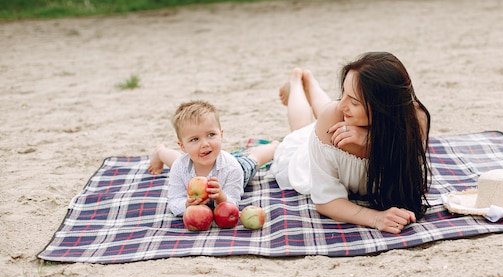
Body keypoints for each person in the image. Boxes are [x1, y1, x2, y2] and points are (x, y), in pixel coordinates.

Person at [269, 52, 430, 234]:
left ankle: (310, 83)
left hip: (341, 126)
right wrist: (376, 218)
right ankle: (297, 81)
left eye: (354, 101)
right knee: (302, 130)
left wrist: (372, 141)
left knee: (330, 111)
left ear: (384, 107)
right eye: (343, 92)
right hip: (306, 158)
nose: (342, 104)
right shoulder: (332, 117)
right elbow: (326, 202)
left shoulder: (414, 121)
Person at [148, 100, 278, 217]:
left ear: (221, 135)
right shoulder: (180, 165)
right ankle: (160, 151)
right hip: (189, 162)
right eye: (194, 139)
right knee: (179, 161)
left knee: (254, 160)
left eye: (211, 134)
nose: (205, 144)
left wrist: (221, 198)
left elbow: (233, 202)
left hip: (232, 169)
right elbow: (173, 202)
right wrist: (186, 204)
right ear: (182, 146)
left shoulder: (233, 167)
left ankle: (273, 147)